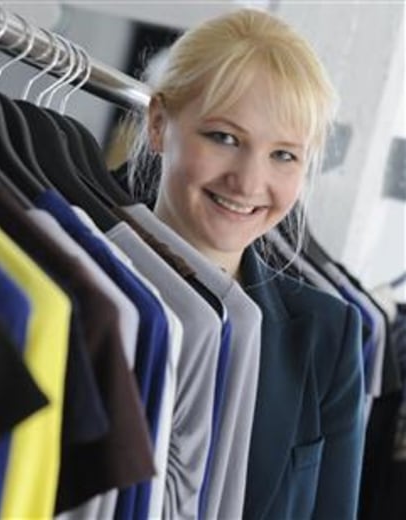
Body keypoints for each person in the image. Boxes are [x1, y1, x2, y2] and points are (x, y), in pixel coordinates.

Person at [124, 8, 366, 519]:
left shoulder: (328, 336)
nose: (249, 182)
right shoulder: (73, 289)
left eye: (284, 155)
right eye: (224, 138)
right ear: (158, 124)